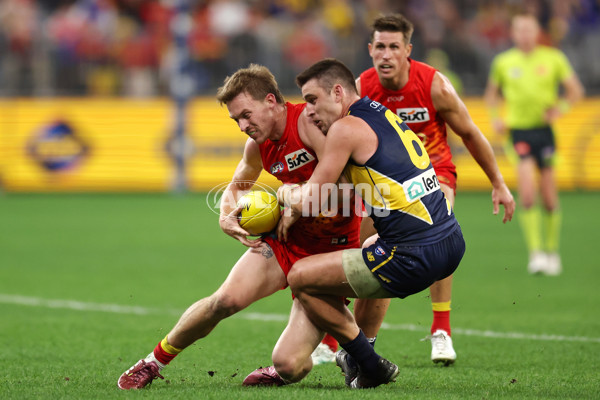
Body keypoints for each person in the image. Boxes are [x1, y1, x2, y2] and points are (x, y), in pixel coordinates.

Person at [116, 64, 361, 390]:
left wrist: (293, 197)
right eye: (236, 120)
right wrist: (227, 215)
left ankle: (287, 369)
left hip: (329, 255)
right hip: (286, 244)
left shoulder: (309, 124)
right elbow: (236, 185)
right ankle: (153, 362)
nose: (243, 126)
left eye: (247, 115)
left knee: (290, 365)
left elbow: (346, 186)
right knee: (223, 301)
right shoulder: (257, 145)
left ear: (271, 101)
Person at [278, 58, 466, 388]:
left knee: (301, 277)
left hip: (413, 256)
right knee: (369, 249)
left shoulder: (344, 128)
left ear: (338, 93)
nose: (309, 112)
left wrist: (284, 194)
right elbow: (352, 188)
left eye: (312, 100)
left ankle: (367, 362)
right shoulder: (380, 113)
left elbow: (310, 200)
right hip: (452, 242)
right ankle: (362, 358)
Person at [351, 13, 515, 367]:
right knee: (358, 250)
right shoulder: (361, 88)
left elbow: (470, 133)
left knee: (437, 229)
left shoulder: (434, 85)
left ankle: (441, 329)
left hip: (432, 173)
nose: (386, 54)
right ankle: (342, 340)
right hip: (383, 183)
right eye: (380, 46)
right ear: (370, 50)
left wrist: (498, 183)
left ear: (408, 50)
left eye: (394, 47)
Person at [484, 12, 583, 275]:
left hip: (545, 133)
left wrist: (559, 108)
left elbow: (575, 91)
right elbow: (491, 96)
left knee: (550, 199)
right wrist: (496, 119)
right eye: (520, 30)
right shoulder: (504, 62)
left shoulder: (553, 58)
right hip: (519, 133)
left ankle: (552, 252)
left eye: (529, 30)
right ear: (513, 33)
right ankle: (536, 253)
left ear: (537, 32)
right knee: (528, 194)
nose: (525, 35)